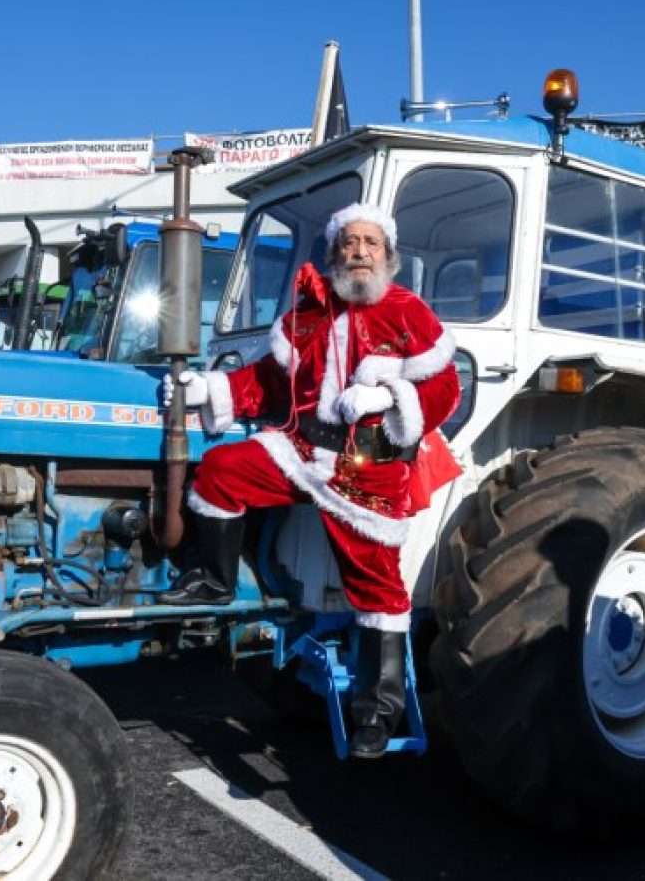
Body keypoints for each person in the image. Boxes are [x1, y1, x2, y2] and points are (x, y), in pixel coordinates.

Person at [161, 202, 461, 758]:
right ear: (334, 255)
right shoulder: (308, 312)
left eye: (371, 243)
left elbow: (445, 390)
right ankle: (214, 579)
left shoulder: (407, 312)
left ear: (388, 257)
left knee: (377, 586)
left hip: (364, 468)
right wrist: (216, 390)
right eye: (350, 242)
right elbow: (272, 382)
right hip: (301, 451)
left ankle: (378, 707)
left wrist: (389, 396)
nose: (360, 252)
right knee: (224, 470)